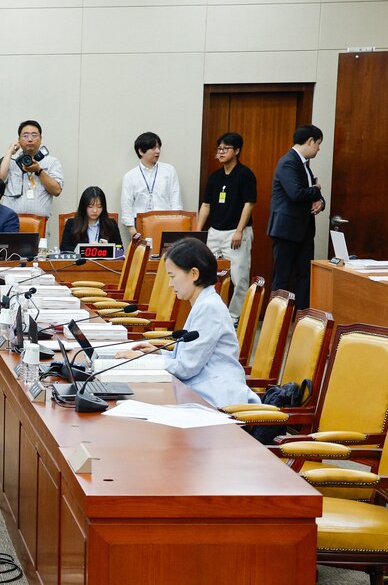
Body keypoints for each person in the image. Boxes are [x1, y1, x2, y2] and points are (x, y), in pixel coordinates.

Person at [120, 238, 257, 408]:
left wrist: (143, 360)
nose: (170, 284)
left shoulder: (209, 308)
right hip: (199, 391)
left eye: (173, 276)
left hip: (216, 398)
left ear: (194, 274)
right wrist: (157, 354)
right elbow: (187, 358)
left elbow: (186, 367)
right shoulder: (202, 302)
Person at [196, 132, 258, 318]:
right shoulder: (215, 177)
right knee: (206, 274)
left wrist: (239, 231)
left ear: (237, 150)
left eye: (226, 148)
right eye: (219, 149)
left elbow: (249, 204)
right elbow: (206, 205)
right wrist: (198, 233)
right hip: (215, 232)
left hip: (237, 232)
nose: (221, 152)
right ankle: (210, 313)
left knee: (239, 279)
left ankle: (235, 318)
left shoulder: (245, 175)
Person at [268, 124, 325, 309]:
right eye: (318, 143)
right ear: (310, 141)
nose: (318, 148)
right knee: (282, 279)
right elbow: (296, 193)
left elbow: (312, 189)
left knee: (305, 277)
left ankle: (302, 320)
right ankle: (276, 322)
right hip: (286, 231)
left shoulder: (304, 165)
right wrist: (316, 191)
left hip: (304, 230)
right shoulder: (288, 162)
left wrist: (320, 201)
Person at [0, 120, 63, 226]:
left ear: (41, 139)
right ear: (19, 140)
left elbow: (57, 190)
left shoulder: (51, 162)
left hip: (40, 223)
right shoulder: (10, 160)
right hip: (10, 222)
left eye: (34, 135)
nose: (30, 139)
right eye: (25, 135)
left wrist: (39, 170)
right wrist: (9, 152)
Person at [120, 132, 183, 239]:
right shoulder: (130, 176)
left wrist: (175, 224)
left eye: (159, 147)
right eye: (153, 148)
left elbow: (175, 198)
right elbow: (126, 204)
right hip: (140, 224)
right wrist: (132, 229)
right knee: (143, 254)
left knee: (165, 254)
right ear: (141, 151)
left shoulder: (169, 171)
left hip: (166, 221)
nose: (158, 151)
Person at [59, 186, 123, 251]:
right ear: (83, 206)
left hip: (103, 261)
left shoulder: (111, 224)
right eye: (90, 206)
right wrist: (87, 248)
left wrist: (108, 247)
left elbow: (120, 249)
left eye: (99, 206)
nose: (95, 210)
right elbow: (64, 249)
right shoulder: (72, 224)